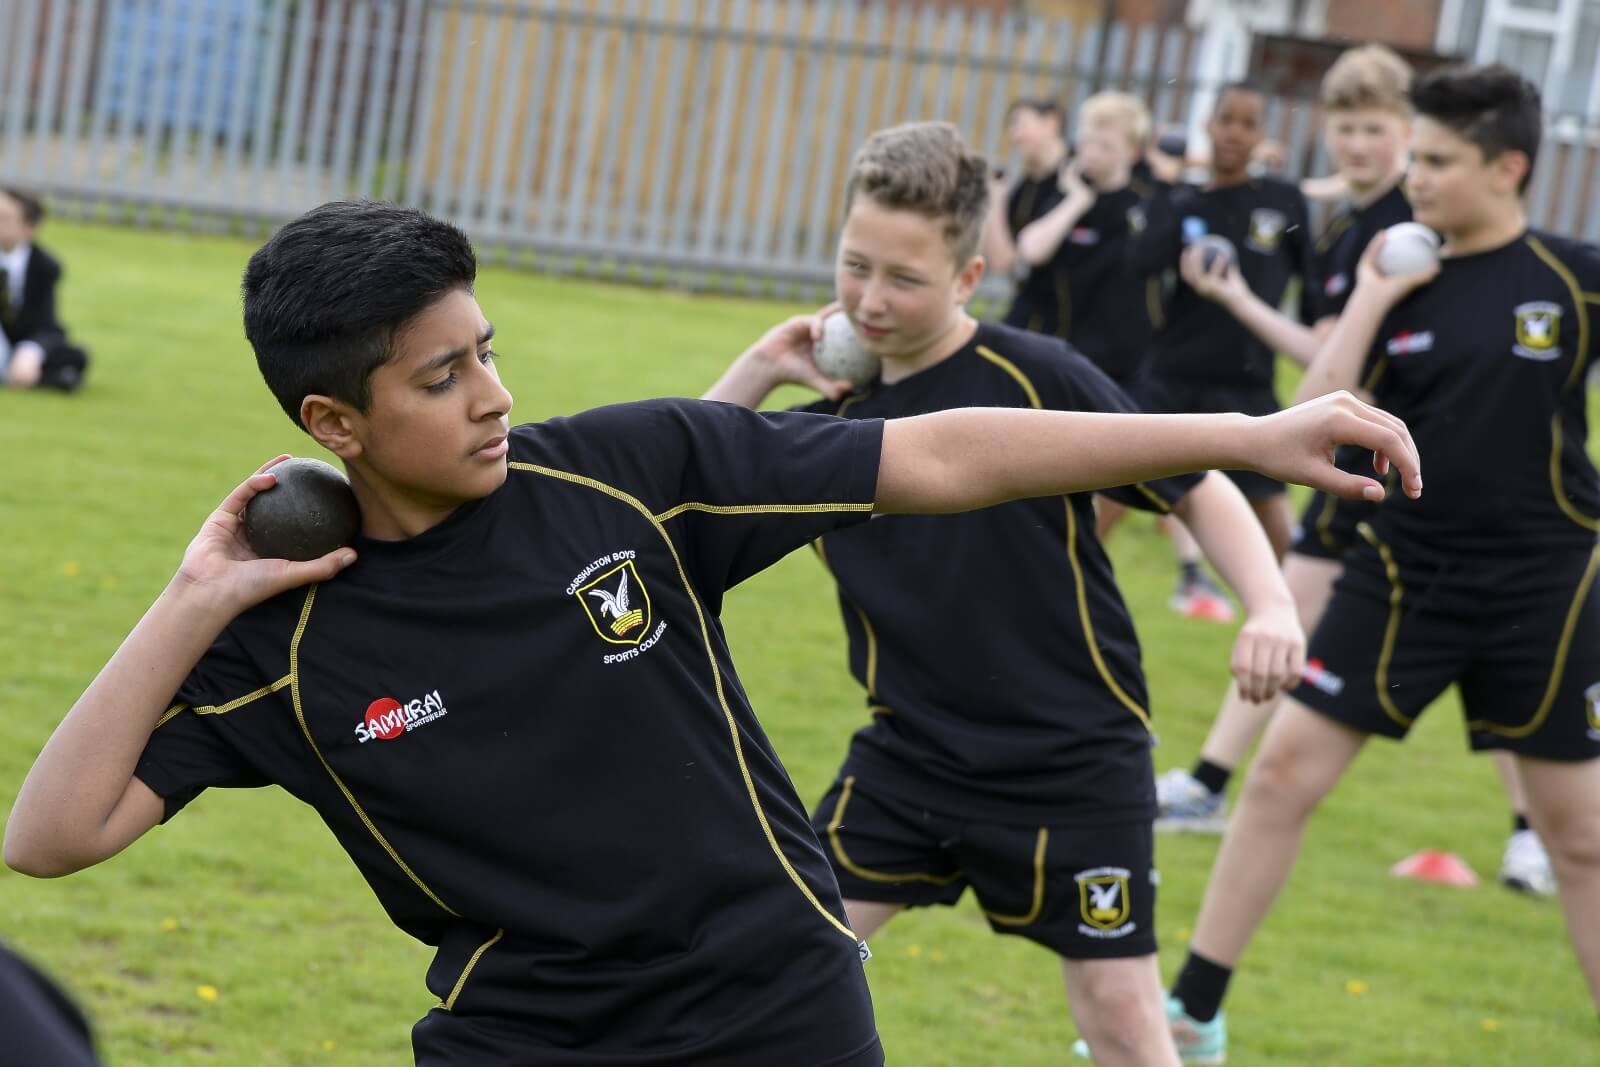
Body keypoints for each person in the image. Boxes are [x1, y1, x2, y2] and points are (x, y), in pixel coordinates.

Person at [3, 200, 1418, 1066]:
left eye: (488, 349)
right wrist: (192, 594)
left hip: (779, 1008)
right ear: (333, 423)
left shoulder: (625, 469)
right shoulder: (288, 634)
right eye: (444, 376)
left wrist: (1249, 433)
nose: (493, 391)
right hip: (527, 1038)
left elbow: (931, 455)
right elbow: (51, 833)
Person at [706, 120, 1307, 1067]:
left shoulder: (1038, 376)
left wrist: (1272, 604)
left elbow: (1200, 476)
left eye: (903, 279)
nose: (868, 301)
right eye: (854, 265)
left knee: (1122, 1018)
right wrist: (757, 370)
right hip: (909, 754)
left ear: (969, 277)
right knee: (779, 964)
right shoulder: (827, 423)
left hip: (1073, 762)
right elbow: (672, 493)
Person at [1165, 64, 1600, 1064]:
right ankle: (1192, 1012)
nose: (1416, 178)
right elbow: (1311, 404)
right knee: (1277, 775)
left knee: (1577, 836)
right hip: (1405, 574)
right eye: (1415, 156)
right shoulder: (1401, 271)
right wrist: (1370, 296)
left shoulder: (1571, 276)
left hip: (1546, 587)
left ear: (1508, 168)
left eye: (1439, 161)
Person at [1126, 82, 1325, 619]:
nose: (1235, 133)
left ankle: (1301, 634)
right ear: (1208, 127)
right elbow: (1141, 263)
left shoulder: (1281, 201)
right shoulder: (1186, 200)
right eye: (1226, 120)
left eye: (1247, 123)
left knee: (1277, 526)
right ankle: (1052, 597)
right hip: (1170, 377)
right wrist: (1170, 193)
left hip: (1246, 383)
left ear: (1261, 135)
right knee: (1106, 490)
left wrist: (1324, 335)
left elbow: (1312, 288)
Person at [1010, 91, 1158, 387]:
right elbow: (1030, 250)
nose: (1091, 152)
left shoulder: (1146, 201)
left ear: (1131, 152)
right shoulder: (1065, 190)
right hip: (1062, 344)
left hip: (1122, 356)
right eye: (1087, 140)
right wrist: (1076, 201)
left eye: (1105, 145)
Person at [983, 98, 1072, 335]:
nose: (1014, 136)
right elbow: (1002, 261)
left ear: (1052, 122)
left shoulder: (1081, 179)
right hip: (1033, 311)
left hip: (1082, 319)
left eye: (1020, 125)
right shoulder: (1023, 191)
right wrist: (996, 199)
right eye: (1010, 128)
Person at [0, 187, 88, 392]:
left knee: (75, 356)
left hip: (21, 337)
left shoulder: (44, 267)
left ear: (30, 228)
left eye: (5, 218)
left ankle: (23, 371)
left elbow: (47, 323)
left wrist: (30, 352)